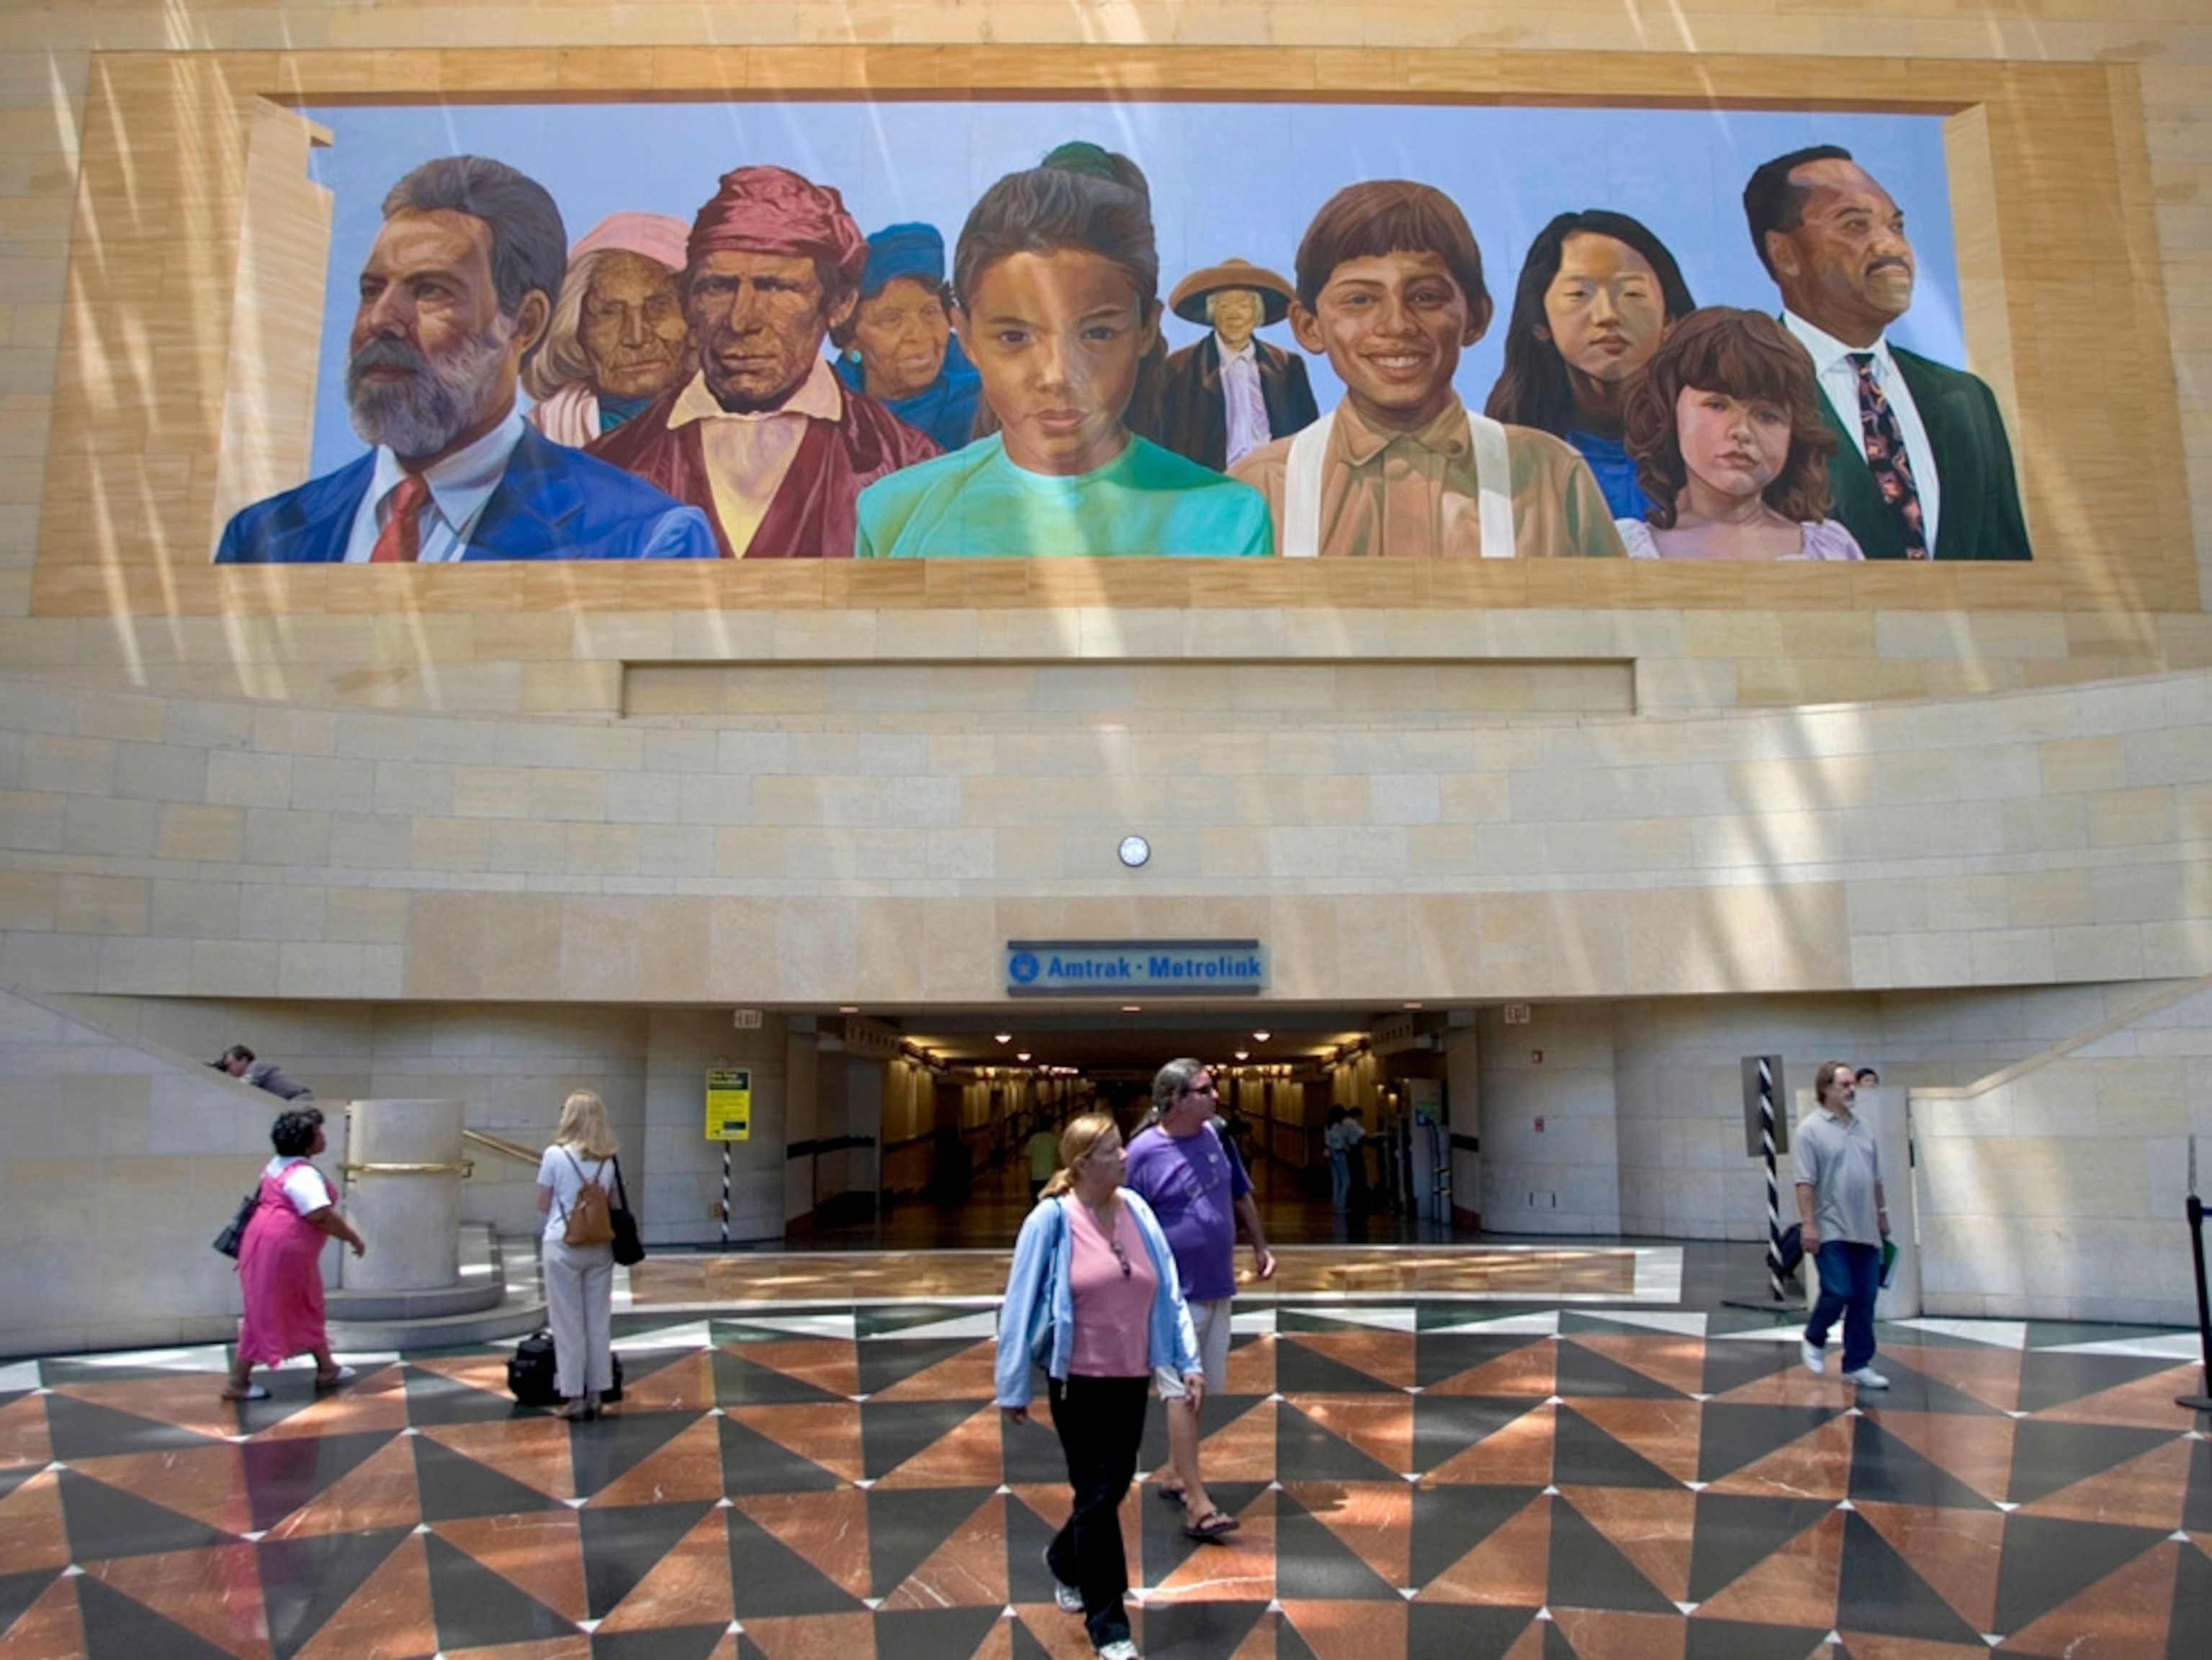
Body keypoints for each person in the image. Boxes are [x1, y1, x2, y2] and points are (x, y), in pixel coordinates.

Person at [216, 156, 716, 564]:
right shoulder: (263, 541)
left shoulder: (641, 542)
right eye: (371, 291)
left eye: (430, 290)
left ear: (525, 324)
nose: (382, 319)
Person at [853, 145, 1272, 559]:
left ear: (1146, 327)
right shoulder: (895, 513)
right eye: (1015, 338)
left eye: (1097, 333)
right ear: (965, 337)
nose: (1057, 374)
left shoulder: (1229, 520)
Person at [1230, 179, 1624, 560]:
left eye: (1425, 296)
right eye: (1360, 299)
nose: (1397, 324)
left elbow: (1616, 626)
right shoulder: (1263, 487)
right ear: (1309, 326)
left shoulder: (1551, 475)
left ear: (1475, 317)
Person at [589, 165, 940, 558]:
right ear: (689, 302)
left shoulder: (911, 468)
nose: (742, 320)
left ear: (840, 305)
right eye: (718, 287)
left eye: (775, 287)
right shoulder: (605, 468)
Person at [1744, 144, 2032, 561]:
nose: (1890, 247)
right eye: (1856, 225)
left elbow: (2010, 571)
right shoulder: (1741, 391)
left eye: (1896, 227)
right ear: (1785, 253)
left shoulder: (1965, 399)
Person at [997, 1111, 1204, 1660]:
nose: (1126, 1157)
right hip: (1078, 1381)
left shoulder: (1136, 1210)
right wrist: (1013, 1384)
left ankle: (1066, 1560)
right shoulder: (1050, 1220)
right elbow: (1018, 1306)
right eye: (1114, 1150)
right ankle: (1108, 1625)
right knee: (1096, 1495)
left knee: (1110, 1490)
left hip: (1131, 1373)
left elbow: (1170, 1291)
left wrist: (1187, 1361)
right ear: (1084, 1164)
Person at [1123, 1060, 1275, 1543]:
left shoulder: (1216, 1135)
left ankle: (1174, 1470)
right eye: (1206, 1090)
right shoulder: (1143, 1152)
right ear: (1176, 1100)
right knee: (1181, 1391)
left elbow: (1239, 1193)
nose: (1216, 1096)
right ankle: (1196, 1502)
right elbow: (1121, 1217)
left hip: (1217, 1282)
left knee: (1202, 1387)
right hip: (1172, 1293)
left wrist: (1259, 1245)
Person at [1483, 209, 1696, 520]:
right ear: (1540, 322)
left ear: (1670, 320)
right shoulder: (1504, 456)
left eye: (1632, 293)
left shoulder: (1708, 450)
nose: (1607, 315)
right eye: (1579, 294)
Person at [1614, 307, 1864, 561]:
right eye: (1717, 406)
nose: (1742, 431)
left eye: (1766, 415)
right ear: (1669, 410)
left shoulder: (1830, 552)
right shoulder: (1625, 550)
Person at [223, 1106, 366, 1400]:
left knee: (303, 1302)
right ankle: (238, 1381)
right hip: (284, 1248)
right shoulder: (303, 1175)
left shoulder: (277, 1165)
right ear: (306, 1141)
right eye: (319, 1133)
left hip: (266, 1242)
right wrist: (352, 1237)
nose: (323, 1138)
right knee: (271, 1309)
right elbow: (320, 1215)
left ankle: (327, 1366)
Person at [523, 211, 694, 445]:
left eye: (658, 306)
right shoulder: (541, 439)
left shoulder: (744, 430)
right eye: (609, 312)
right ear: (576, 330)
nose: (636, 337)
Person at [1155, 257, 1319, 471]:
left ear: (1256, 313)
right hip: (1210, 485)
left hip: (1274, 480)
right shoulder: (1179, 367)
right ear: (1212, 313)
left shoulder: (1287, 366)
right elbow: (1165, 442)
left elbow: (1308, 436)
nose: (1235, 315)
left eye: (1243, 306)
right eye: (1225, 306)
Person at [833, 222, 983, 452]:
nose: (919, 334)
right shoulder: (826, 419)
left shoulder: (987, 400)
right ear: (850, 339)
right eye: (891, 319)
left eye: (930, 312)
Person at [1796, 1060, 1892, 1389]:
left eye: (1853, 1084)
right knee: (1838, 1289)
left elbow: (1875, 1176)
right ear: (1826, 1089)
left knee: (1865, 1298)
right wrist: (1809, 1224)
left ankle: (1857, 1363)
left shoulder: (1863, 1127)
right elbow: (1804, 1181)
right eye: (1845, 1085)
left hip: (1865, 1226)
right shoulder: (1810, 1130)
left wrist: (1882, 1214)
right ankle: (1814, 1335)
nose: (1853, 1090)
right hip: (1830, 1225)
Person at [537, 1088, 622, 1420]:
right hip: (600, 1246)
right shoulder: (608, 1157)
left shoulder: (555, 1155)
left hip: (562, 1244)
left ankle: (573, 1397)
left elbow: (543, 1203)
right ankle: (597, 1393)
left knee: (568, 1322)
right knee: (598, 1321)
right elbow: (614, 1204)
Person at [211, 1043, 313, 1100]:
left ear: (244, 1060)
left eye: (230, 1064)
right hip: (287, 1100)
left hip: (298, 1098)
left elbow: (242, 1087)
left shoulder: (256, 1066)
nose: (229, 1069)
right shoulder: (253, 1070)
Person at [1322, 1104, 1353, 1212]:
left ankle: (1336, 1203)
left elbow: (1328, 1141)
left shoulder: (1328, 1126)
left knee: (1336, 1180)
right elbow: (1342, 1141)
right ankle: (1341, 1203)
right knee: (1346, 1180)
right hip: (1340, 1153)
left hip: (1331, 1153)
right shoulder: (1339, 1127)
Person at [1025, 1117, 1063, 1200]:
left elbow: (1028, 1159)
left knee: (1037, 1201)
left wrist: (1029, 1175)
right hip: (1050, 1175)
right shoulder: (1054, 1139)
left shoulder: (1033, 1139)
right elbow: (1058, 1158)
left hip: (1036, 1176)